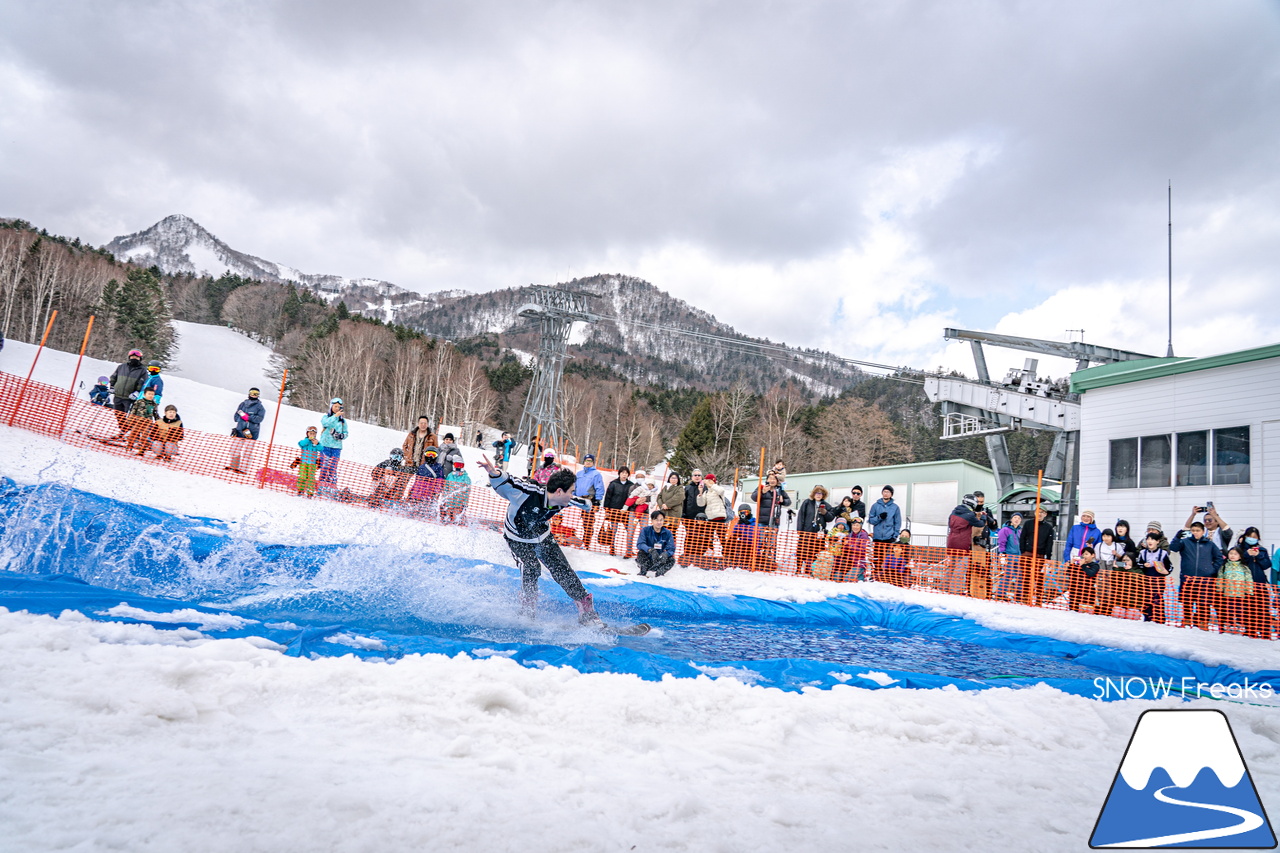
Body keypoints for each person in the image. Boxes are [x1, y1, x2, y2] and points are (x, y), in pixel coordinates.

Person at [477, 456, 603, 625]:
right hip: (517, 539)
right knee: (531, 567)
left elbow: (584, 503)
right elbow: (510, 482)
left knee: (562, 569)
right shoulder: (527, 493)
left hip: (542, 536)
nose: (573, 495)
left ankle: (586, 612)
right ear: (559, 491)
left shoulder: (565, 500)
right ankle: (527, 610)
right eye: (571, 490)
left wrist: (587, 503)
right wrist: (494, 472)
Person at [1170, 520, 1224, 631]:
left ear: (1203, 531)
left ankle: (1203, 622)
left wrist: (1212, 570)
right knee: (1187, 601)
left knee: (1203, 602)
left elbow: (1219, 558)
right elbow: (1173, 547)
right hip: (1188, 578)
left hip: (1205, 580)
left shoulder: (1210, 544)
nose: (1195, 532)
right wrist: (1177, 536)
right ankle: (1187, 619)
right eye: (1193, 530)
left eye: (1198, 530)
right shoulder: (1185, 542)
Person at [946, 494, 988, 598]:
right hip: (962, 544)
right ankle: (955, 591)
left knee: (951, 567)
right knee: (960, 568)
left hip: (951, 542)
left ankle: (945, 588)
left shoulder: (954, 512)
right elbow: (980, 524)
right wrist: (983, 516)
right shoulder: (969, 515)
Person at [1237, 527, 1272, 639]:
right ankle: (1250, 632)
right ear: (1245, 537)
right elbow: (1235, 563)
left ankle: (1265, 633)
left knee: (1263, 610)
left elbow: (1267, 565)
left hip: (1260, 584)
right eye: (1249, 537)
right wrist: (1247, 555)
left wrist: (1259, 556)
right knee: (1247, 610)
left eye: (1254, 537)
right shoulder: (1239, 550)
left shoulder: (1262, 550)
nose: (1252, 539)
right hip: (1245, 585)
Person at [106, 349, 148, 438]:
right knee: (119, 415)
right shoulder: (122, 367)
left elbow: (143, 382)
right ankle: (124, 431)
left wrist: (137, 392)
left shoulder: (142, 370)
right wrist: (112, 387)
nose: (134, 358)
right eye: (132, 357)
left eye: (136, 357)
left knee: (130, 417)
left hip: (129, 398)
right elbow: (114, 377)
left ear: (140, 358)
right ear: (129, 357)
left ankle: (133, 434)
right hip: (118, 395)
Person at [1019, 506, 1055, 601]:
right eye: (1038, 511)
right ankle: (1025, 597)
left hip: (1040, 554)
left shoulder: (1048, 527)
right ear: (1034, 513)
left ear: (1045, 514)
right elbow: (1022, 537)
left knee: (1039, 576)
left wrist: (1048, 556)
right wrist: (1023, 551)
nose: (1039, 514)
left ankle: (1038, 597)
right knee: (1026, 576)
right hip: (1027, 553)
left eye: (1042, 512)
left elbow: (1049, 542)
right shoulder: (1028, 524)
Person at [226, 387, 265, 474]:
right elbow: (236, 417)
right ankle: (234, 466)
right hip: (240, 430)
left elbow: (259, 419)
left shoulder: (260, 407)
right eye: (252, 393)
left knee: (248, 451)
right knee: (234, 449)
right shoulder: (243, 404)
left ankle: (243, 469)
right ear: (249, 393)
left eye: (256, 393)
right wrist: (241, 418)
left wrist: (249, 418)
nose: (254, 395)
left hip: (252, 432)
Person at [796, 485, 834, 575]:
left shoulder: (826, 505)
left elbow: (830, 518)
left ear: (823, 495)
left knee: (816, 551)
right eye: (817, 493)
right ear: (813, 494)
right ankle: (798, 568)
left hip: (819, 533)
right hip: (806, 531)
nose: (818, 495)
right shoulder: (807, 503)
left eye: (821, 493)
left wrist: (825, 513)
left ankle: (811, 569)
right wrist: (800, 530)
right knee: (802, 550)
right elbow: (801, 516)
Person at [601, 466, 638, 556]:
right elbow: (608, 497)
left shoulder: (631, 485)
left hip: (626, 511)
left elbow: (633, 497)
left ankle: (629, 549)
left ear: (628, 475)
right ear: (619, 474)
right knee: (614, 530)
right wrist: (607, 509)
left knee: (629, 530)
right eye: (622, 473)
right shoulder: (613, 483)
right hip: (614, 509)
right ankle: (612, 547)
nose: (624, 475)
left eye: (626, 473)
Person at [1217, 546, 1253, 636]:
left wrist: (1249, 591)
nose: (1233, 556)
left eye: (1235, 554)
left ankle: (1240, 626)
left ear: (1240, 556)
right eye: (1231, 553)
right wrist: (1219, 589)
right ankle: (1228, 625)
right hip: (1228, 594)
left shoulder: (1244, 567)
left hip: (1240, 594)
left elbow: (1248, 579)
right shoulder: (1224, 567)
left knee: (1240, 611)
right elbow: (1220, 578)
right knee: (1228, 610)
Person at [1137, 533, 1173, 623]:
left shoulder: (1163, 553)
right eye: (1148, 539)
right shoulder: (1143, 553)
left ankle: (1160, 620)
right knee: (1147, 599)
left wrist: (1166, 572)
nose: (1150, 541)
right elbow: (1138, 564)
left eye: (1152, 539)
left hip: (1158, 581)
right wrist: (1144, 565)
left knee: (1157, 599)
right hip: (1146, 580)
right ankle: (1147, 619)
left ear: (1157, 542)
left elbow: (1170, 567)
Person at [573, 453, 605, 545]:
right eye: (586, 460)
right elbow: (575, 486)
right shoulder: (579, 473)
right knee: (575, 521)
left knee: (588, 523)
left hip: (589, 500)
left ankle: (586, 541)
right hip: (578, 499)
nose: (588, 462)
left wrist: (597, 501)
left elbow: (599, 487)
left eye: (590, 461)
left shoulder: (596, 474)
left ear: (593, 462)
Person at [635, 510, 676, 578]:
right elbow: (640, 544)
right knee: (641, 553)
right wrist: (650, 550)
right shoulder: (645, 530)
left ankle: (660, 573)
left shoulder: (668, 533)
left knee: (671, 560)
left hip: (659, 559)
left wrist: (666, 554)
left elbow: (671, 548)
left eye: (661, 520)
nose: (659, 522)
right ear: (652, 521)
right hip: (648, 557)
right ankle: (643, 571)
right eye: (656, 520)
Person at [993, 512, 1024, 601]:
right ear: (1011, 519)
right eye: (1015, 517)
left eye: (1019, 518)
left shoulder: (1019, 531)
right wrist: (1002, 553)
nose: (1017, 519)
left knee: (1019, 575)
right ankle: (1000, 593)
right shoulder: (1005, 530)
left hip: (1017, 556)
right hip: (1009, 555)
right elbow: (1001, 542)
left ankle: (1018, 595)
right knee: (1008, 575)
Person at [317, 398, 348, 487]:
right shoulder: (326, 417)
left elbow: (346, 433)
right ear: (331, 407)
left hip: (336, 447)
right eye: (335, 406)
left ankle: (332, 486)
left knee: (333, 467)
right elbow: (325, 423)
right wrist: (335, 416)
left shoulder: (342, 421)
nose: (337, 408)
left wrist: (341, 436)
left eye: (339, 407)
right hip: (325, 445)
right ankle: (321, 484)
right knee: (324, 466)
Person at [408, 446, 446, 517]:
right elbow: (416, 480)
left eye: (433, 455)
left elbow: (440, 480)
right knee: (416, 506)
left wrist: (437, 490)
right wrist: (412, 490)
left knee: (427, 507)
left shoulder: (438, 467)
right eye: (428, 454)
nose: (430, 457)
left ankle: (427, 514)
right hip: (418, 492)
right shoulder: (422, 467)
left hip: (429, 492)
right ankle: (415, 512)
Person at [124, 386, 159, 454]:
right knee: (133, 434)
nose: (151, 396)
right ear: (144, 394)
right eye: (149, 394)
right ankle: (129, 446)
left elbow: (155, 414)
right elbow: (133, 410)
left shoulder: (154, 404)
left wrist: (159, 421)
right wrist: (130, 419)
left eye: (152, 394)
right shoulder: (139, 402)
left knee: (144, 436)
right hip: (138, 421)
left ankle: (142, 450)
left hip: (147, 423)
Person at [1069, 545, 1101, 613]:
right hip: (1076, 591)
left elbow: (1091, 574)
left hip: (1088, 591)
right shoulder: (1078, 565)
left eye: (1086, 554)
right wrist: (1071, 564)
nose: (1084, 556)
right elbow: (1070, 575)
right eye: (1083, 554)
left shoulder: (1095, 565)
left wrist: (1083, 566)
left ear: (1093, 555)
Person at [439, 460, 472, 524]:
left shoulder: (466, 478)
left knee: (457, 515)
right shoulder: (450, 476)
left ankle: (459, 522)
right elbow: (446, 486)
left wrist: (465, 503)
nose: (457, 471)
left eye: (459, 469)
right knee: (447, 512)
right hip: (449, 499)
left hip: (459, 501)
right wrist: (444, 498)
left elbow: (467, 491)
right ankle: (445, 521)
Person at [296, 427, 322, 497]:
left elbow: (321, 448)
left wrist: (317, 444)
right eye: (310, 433)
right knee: (302, 477)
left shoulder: (316, 442)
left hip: (312, 464)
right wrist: (308, 439)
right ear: (307, 434)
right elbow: (300, 444)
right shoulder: (305, 441)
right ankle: (300, 490)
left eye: (313, 434)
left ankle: (310, 492)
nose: (312, 435)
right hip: (303, 463)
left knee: (311, 478)